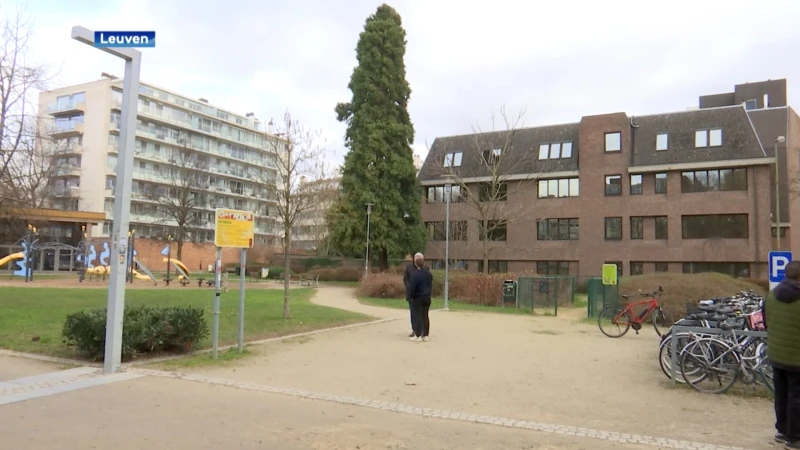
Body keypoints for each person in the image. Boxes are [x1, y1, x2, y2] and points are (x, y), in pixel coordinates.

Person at [764, 260, 800, 448]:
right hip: (796, 358)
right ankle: (794, 437)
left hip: (776, 355)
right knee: (796, 397)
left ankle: (782, 430)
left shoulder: (770, 296)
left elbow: (766, 321)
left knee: (781, 393)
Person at [407, 253, 433, 342]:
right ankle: (425, 335)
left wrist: (411, 296)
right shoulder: (428, 274)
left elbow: (413, 287)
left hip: (418, 298)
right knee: (425, 316)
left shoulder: (415, 275)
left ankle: (418, 335)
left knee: (417, 316)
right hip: (427, 297)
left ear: (416, 264)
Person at [403, 253, 421, 337]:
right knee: (413, 313)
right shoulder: (409, 268)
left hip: (421, 294)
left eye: (419, 258)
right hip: (411, 294)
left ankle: (422, 330)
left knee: (422, 313)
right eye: (416, 258)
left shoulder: (425, 268)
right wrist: (409, 287)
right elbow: (405, 279)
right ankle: (414, 329)